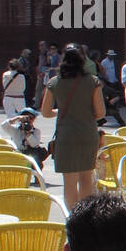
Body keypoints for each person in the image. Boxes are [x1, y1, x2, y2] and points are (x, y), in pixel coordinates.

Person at [41, 48, 105, 211]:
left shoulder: (54, 82)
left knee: (69, 182)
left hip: (66, 136)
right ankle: (85, 217)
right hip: (87, 134)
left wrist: (61, 111)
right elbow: (101, 113)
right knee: (87, 179)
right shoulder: (93, 81)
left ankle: (73, 218)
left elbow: (46, 112)